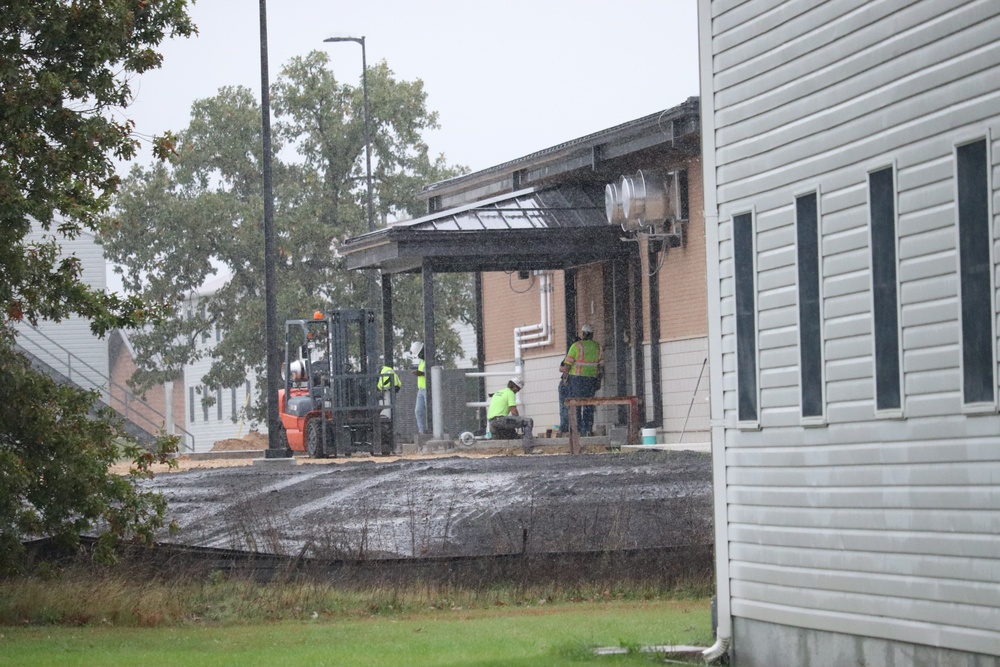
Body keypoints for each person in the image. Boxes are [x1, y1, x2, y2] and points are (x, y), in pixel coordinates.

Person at [560, 323, 604, 436]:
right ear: (592, 334)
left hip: (577, 381)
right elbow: (601, 367)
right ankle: (587, 429)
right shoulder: (598, 347)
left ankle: (578, 430)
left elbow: (568, 365)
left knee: (576, 405)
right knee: (589, 404)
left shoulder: (576, 346)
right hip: (591, 380)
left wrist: (565, 378)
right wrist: (599, 381)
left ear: (583, 333)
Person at [487, 376, 536, 452]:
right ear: (515, 387)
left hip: (492, 422)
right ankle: (529, 448)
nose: (518, 391)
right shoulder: (510, 393)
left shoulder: (498, 392)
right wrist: (519, 421)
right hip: (500, 420)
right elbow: (513, 411)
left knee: (514, 436)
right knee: (528, 421)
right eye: (518, 389)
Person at [557, 334, 580, 434]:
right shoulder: (571, 354)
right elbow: (562, 368)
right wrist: (568, 373)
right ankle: (565, 428)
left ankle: (570, 428)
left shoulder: (576, 354)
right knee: (565, 407)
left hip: (572, 383)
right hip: (567, 384)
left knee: (569, 407)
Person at [411, 341, 427, 435]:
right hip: (421, 389)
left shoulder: (429, 361)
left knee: (430, 411)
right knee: (418, 411)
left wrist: (420, 373)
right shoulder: (422, 362)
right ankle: (421, 431)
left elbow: (431, 373)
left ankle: (434, 429)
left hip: (428, 389)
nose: (419, 356)